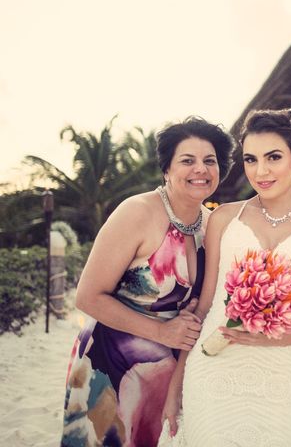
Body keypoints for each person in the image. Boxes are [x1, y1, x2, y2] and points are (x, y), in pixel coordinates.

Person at [161, 107, 291, 446]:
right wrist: (176, 383)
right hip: (213, 372)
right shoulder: (223, 218)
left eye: (273, 157)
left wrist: (276, 337)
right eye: (250, 159)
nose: (261, 171)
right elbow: (204, 306)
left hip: (285, 377)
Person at [60, 116, 235, 446]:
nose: (200, 169)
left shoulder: (213, 224)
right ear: (167, 169)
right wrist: (161, 331)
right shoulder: (137, 212)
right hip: (109, 362)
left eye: (209, 161)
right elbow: (87, 297)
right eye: (187, 160)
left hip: (166, 372)